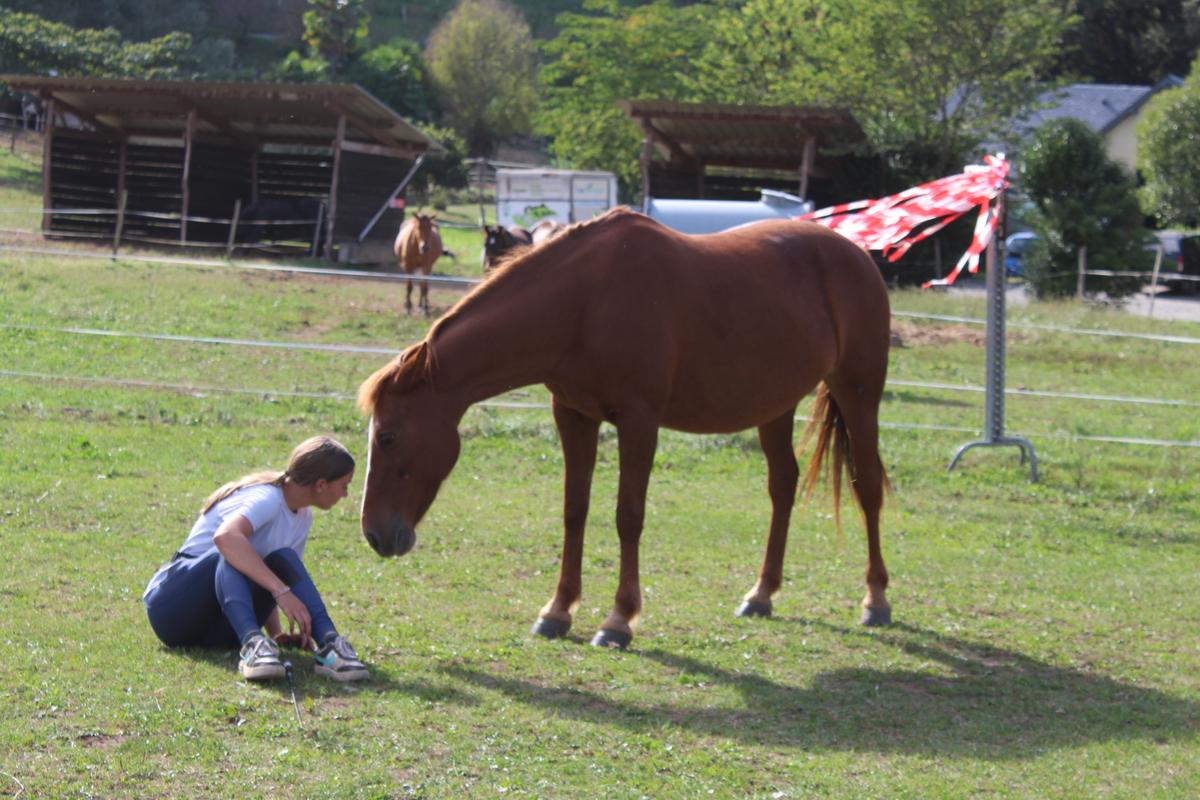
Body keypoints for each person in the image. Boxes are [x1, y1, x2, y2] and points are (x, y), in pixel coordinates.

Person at [143, 436, 368, 682]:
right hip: (172, 612)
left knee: (284, 558)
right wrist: (281, 591)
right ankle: (252, 645)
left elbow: (268, 573)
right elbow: (226, 538)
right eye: (345, 485)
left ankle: (330, 644)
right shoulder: (268, 498)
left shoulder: (303, 517)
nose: (346, 495)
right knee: (231, 550)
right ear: (321, 484)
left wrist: (277, 634)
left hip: (220, 628)